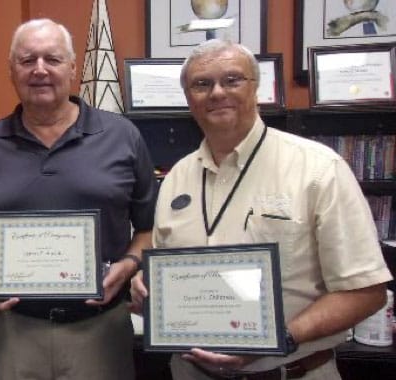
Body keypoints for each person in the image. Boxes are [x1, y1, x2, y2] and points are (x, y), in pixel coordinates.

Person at [131, 39, 393, 379]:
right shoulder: (176, 176)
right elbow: (168, 263)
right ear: (187, 97)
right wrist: (145, 284)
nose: (217, 93)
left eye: (232, 80)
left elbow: (367, 292)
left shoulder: (318, 169)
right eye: (201, 84)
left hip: (291, 371)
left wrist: (280, 339)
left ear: (258, 88)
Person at [0, 18, 157, 380]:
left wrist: (126, 267)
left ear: (73, 67)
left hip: (100, 331)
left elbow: (150, 228)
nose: (40, 70)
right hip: (12, 331)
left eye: (53, 59)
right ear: (11, 71)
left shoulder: (122, 136)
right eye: (27, 60)